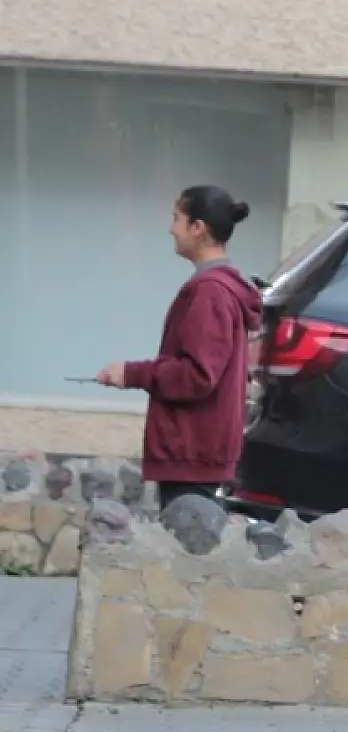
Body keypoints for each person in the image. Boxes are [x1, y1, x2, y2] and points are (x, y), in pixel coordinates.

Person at [96, 186, 262, 511]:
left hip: (192, 450)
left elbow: (197, 375)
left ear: (197, 227)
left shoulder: (210, 293)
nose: (171, 228)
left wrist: (130, 373)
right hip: (198, 450)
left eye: (177, 219)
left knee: (187, 548)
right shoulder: (219, 289)